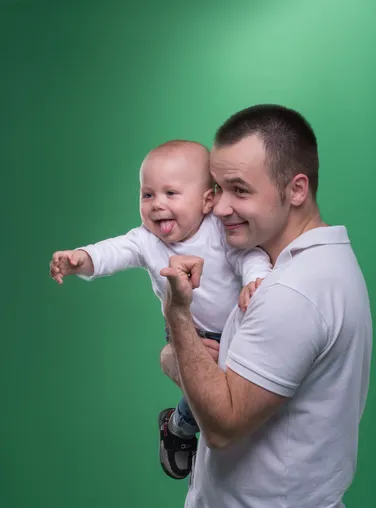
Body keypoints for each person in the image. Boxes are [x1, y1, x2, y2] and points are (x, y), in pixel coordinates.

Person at [160, 105, 372, 508]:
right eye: (218, 188)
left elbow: (224, 421)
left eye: (240, 190)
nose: (217, 207)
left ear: (296, 189)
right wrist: (184, 359)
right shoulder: (288, 271)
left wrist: (178, 319)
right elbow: (226, 379)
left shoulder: (295, 291)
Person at [49, 139, 271, 480]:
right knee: (211, 397)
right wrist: (82, 259)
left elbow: (250, 255)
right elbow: (113, 251)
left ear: (207, 200)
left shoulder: (220, 230)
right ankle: (191, 441)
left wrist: (256, 280)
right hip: (190, 333)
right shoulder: (145, 240)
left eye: (171, 193)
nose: (156, 205)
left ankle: (176, 425)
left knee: (234, 398)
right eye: (147, 195)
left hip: (235, 329)